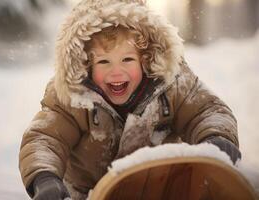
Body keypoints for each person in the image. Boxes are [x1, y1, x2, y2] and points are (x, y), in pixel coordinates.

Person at [19, 0, 241, 199]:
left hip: (164, 188)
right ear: (86, 64)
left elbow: (207, 110)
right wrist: (45, 177)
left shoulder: (172, 82)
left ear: (146, 58)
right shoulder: (71, 95)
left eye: (127, 59)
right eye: (104, 62)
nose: (116, 73)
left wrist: (216, 138)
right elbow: (45, 137)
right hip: (92, 194)